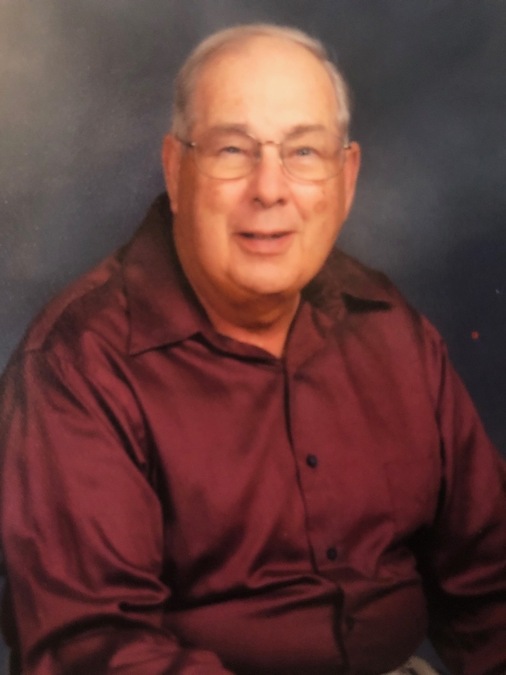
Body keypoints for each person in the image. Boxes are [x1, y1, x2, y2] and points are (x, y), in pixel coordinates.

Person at [0, 23, 505, 675]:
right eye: (233, 150)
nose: (269, 189)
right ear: (176, 169)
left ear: (347, 177)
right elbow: (93, 650)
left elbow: (490, 584)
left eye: (304, 152)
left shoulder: (389, 328)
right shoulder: (77, 365)